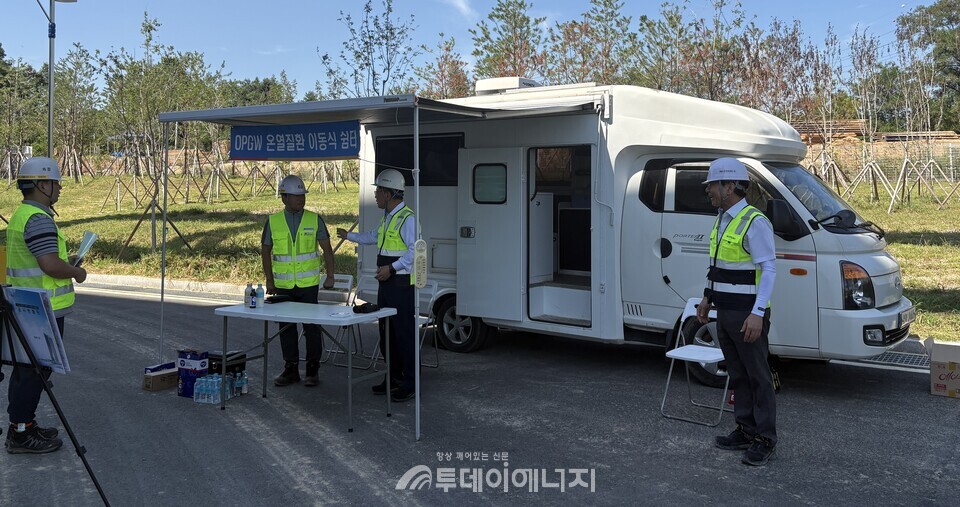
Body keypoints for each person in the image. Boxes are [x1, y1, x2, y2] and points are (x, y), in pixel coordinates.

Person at [696, 157, 778, 467]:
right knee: (738, 375)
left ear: (730, 186)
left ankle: (765, 439)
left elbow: (769, 269)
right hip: (725, 312)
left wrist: (757, 313)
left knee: (759, 377)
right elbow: (718, 265)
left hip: (747, 314)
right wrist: (707, 298)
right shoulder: (722, 219)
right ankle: (745, 430)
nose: (709, 192)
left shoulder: (753, 221)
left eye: (713, 186)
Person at [4, 157, 87, 454]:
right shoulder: (38, 219)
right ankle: (21, 434)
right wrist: (76, 272)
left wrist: (66, 263)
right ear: (42, 185)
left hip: (25, 305)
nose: (60, 189)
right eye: (56, 183)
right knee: (35, 371)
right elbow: (49, 265)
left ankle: (22, 424)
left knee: (28, 368)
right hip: (41, 309)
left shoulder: (22, 215)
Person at [337, 168, 417, 402]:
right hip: (388, 281)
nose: (375, 195)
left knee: (403, 333)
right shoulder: (389, 217)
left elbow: (415, 251)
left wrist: (392, 268)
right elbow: (373, 237)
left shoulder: (408, 218)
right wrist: (349, 236)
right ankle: (392, 377)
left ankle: (410, 382)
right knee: (387, 332)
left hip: (400, 283)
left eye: (379, 191)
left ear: (390, 193)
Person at [261, 175, 336, 387]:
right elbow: (265, 251)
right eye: (295, 196)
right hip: (283, 285)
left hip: (308, 285)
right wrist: (269, 280)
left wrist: (330, 276)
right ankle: (291, 368)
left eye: (302, 196)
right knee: (286, 328)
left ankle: (313, 369)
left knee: (312, 327)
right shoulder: (273, 221)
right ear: (284, 198)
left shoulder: (314, 219)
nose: (300, 200)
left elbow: (327, 250)